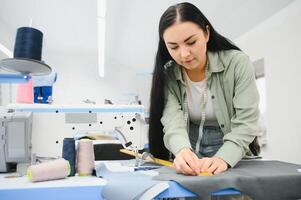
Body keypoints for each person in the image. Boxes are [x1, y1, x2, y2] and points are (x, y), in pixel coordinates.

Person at [148, 2, 260, 176]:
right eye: (174, 47)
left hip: (233, 148)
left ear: (206, 33)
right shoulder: (168, 73)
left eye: (191, 42)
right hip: (191, 146)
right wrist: (182, 151)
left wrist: (223, 158)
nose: (184, 54)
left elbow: (246, 122)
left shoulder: (238, 63)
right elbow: (172, 121)